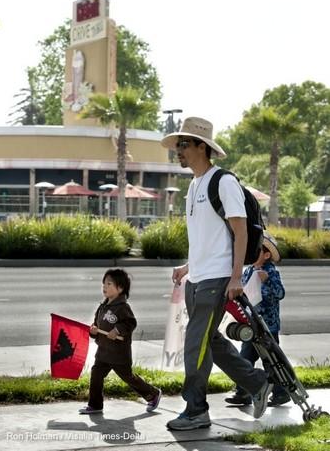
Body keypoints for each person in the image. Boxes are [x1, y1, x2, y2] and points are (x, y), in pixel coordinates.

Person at [161, 116, 273, 431]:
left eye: (184, 145)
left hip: (218, 279)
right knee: (209, 341)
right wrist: (187, 266)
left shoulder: (222, 182)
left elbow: (241, 234)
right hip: (197, 278)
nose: (178, 151)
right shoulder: (194, 186)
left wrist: (236, 278)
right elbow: (204, 238)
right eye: (177, 145)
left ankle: (196, 410)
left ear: (202, 147)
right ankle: (257, 383)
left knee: (195, 345)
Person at [79, 268, 161, 414]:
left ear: (120, 288)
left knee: (128, 377)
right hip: (103, 351)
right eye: (103, 284)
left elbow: (130, 323)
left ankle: (152, 394)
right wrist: (93, 331)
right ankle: (95, 405)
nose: (104, 287)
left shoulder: (123, 307)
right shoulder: (102, 307)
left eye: (109, 284)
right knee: (96, 374)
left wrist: (117, 330)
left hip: (119, 353)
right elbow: (97, 327)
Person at [225, 232, 290, 407]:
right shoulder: (248, 271)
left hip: (268, 326)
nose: (252, 255)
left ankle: (281, 392)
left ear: (267, 255)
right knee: (244, 358)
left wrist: (267, 282)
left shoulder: (270, 272)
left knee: (272, 361)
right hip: (251, 325)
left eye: (257, 251)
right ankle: (243, 392)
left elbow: (280, 294)